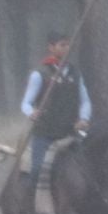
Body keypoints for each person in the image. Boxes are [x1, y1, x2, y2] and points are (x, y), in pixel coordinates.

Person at [19, 31, 92, 185]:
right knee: (37, 171)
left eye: (68, 45)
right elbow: (26, 103)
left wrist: (84, 118)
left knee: (89, 170)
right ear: (51, 47)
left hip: (69, 132)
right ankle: (32, 203)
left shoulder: (75, 73)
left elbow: (85, 101)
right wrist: (31, 113)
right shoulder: (39, 74)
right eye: (62, 45)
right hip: (45, 133)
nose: (66, 48)